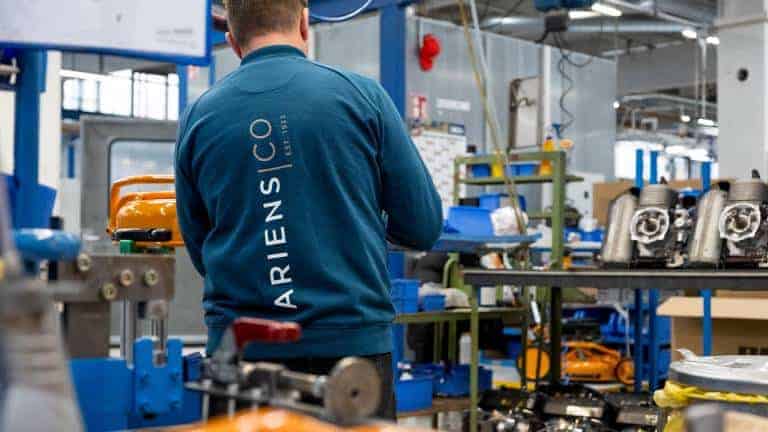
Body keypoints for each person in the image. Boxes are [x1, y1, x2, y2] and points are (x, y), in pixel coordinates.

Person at [174, 0, 443, 419]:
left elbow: (199, 247)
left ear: (232, 40)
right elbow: (423, 226)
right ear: (304, 22)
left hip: (242, 359)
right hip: (352, 361)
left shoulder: (199, 117)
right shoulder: (363, 97)